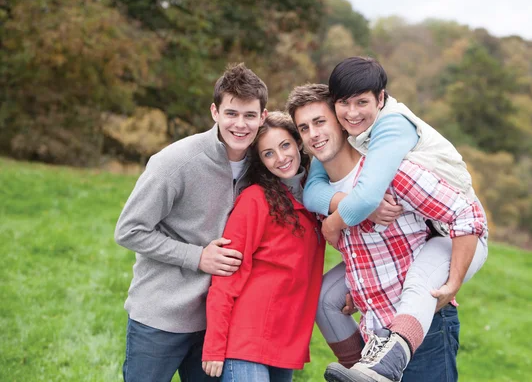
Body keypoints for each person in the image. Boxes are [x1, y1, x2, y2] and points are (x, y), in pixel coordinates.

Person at [287, 83, 488, 382]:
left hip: (426, 329)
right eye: (304, 128)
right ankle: (362, 371)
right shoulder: (321, 196)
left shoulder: (391, 171)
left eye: (320, 122)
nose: (313, 134)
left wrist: (454, 282)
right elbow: (359, 255)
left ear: (342, 124)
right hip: (375, 331)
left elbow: (468, 214)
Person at [114, 63, 268, 382]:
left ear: (263, 117)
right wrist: (198, 257)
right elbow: (129, 230)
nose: (240, 124)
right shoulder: (175, 162)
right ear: (215, 112)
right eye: (231, 113)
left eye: (250, 115)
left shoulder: (262, 166)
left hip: (216, 323)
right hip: (160, 318)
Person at [201, 111, 325, 382]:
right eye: (268, 153)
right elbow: (226, 275)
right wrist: (214, 345)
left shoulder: (316, 198)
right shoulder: (255, 200)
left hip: (285, 341)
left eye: (284, 146)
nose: (280, 158)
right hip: (246, 340)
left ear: (297, 142)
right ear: (260, 161)